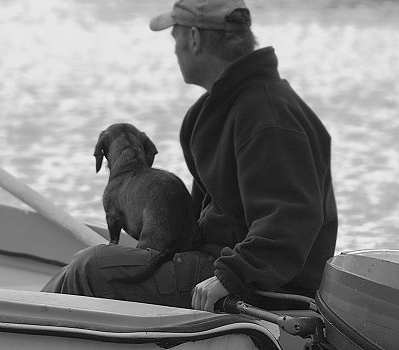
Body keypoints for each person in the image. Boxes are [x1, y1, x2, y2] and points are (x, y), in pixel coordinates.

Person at [42, 0, 337, 312]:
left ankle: (18, 327)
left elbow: (292, 217)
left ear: (194, 39)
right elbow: (202, 214)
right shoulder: (219, 109)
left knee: (88, 269)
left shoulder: (267, 115)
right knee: (97, 262)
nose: (174, 50)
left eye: (175, 37)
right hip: (220, 262)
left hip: (263, 286)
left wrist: (233, 276)